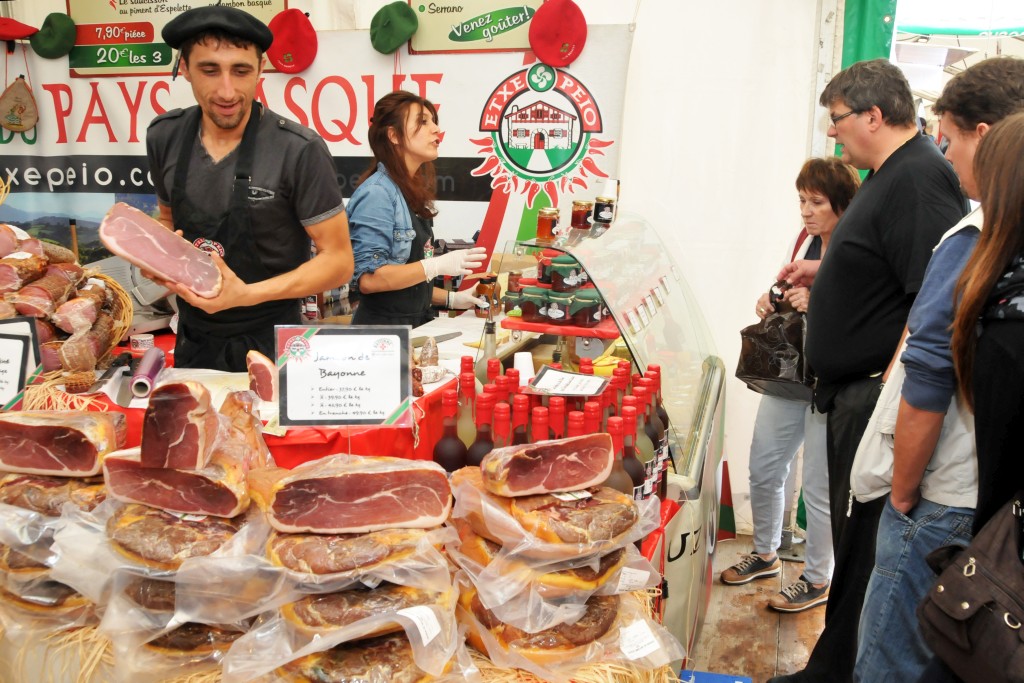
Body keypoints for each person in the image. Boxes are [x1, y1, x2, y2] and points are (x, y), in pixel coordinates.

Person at [770, 59, 969, 683]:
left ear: (874, 115)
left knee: (864, 554)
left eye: (837, 119)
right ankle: (831, 665)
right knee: (853, 548)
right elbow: (884, 267)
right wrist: (826, 271)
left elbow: (930, 302)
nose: (833, 133)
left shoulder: (919, 180)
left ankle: (839, 672)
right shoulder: (889, 174)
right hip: (853, 392)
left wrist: (885, 390)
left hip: (873, 398)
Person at [850, 56, 1024, 683]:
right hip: (994, 501)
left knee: (891, 660)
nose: (945, 157)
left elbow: (928, 379)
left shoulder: (977, 237)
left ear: (987, 136)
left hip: (943, 495)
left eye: (949, 140)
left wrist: (902, 495)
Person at [145, 5, 353, 371]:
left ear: (261, 69)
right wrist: (155, 257)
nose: (227, 91)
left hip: (274, 342)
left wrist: (246, 295)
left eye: (241, 71)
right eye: (210, 70)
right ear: (185, 68)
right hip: (194, 340)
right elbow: (168, 220)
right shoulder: (165, 136)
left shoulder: (298, 149)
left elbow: (338, 262)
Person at [722, 157, 860, 614]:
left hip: (832, 380)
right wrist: (772, 298)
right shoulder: (804, 240)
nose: (806, 211)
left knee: (819, 487)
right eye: (801, 200)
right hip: (791, 375)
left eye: (816, 202)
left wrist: (817, 301)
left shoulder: (857, 245)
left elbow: (864, 311)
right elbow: (784, 289)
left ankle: (819, 578)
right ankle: (765, 554)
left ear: (842, 203)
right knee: (764, 466)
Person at [348, 91, 487, 326]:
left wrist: (454, 299)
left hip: (415, 327)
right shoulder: (377, 194)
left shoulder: (408, 192)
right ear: (394, 135)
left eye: (434, 121)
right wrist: (435, 266)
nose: (436, 129)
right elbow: (371, 280)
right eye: (422, 122)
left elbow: (407, 286)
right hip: (383, 336)